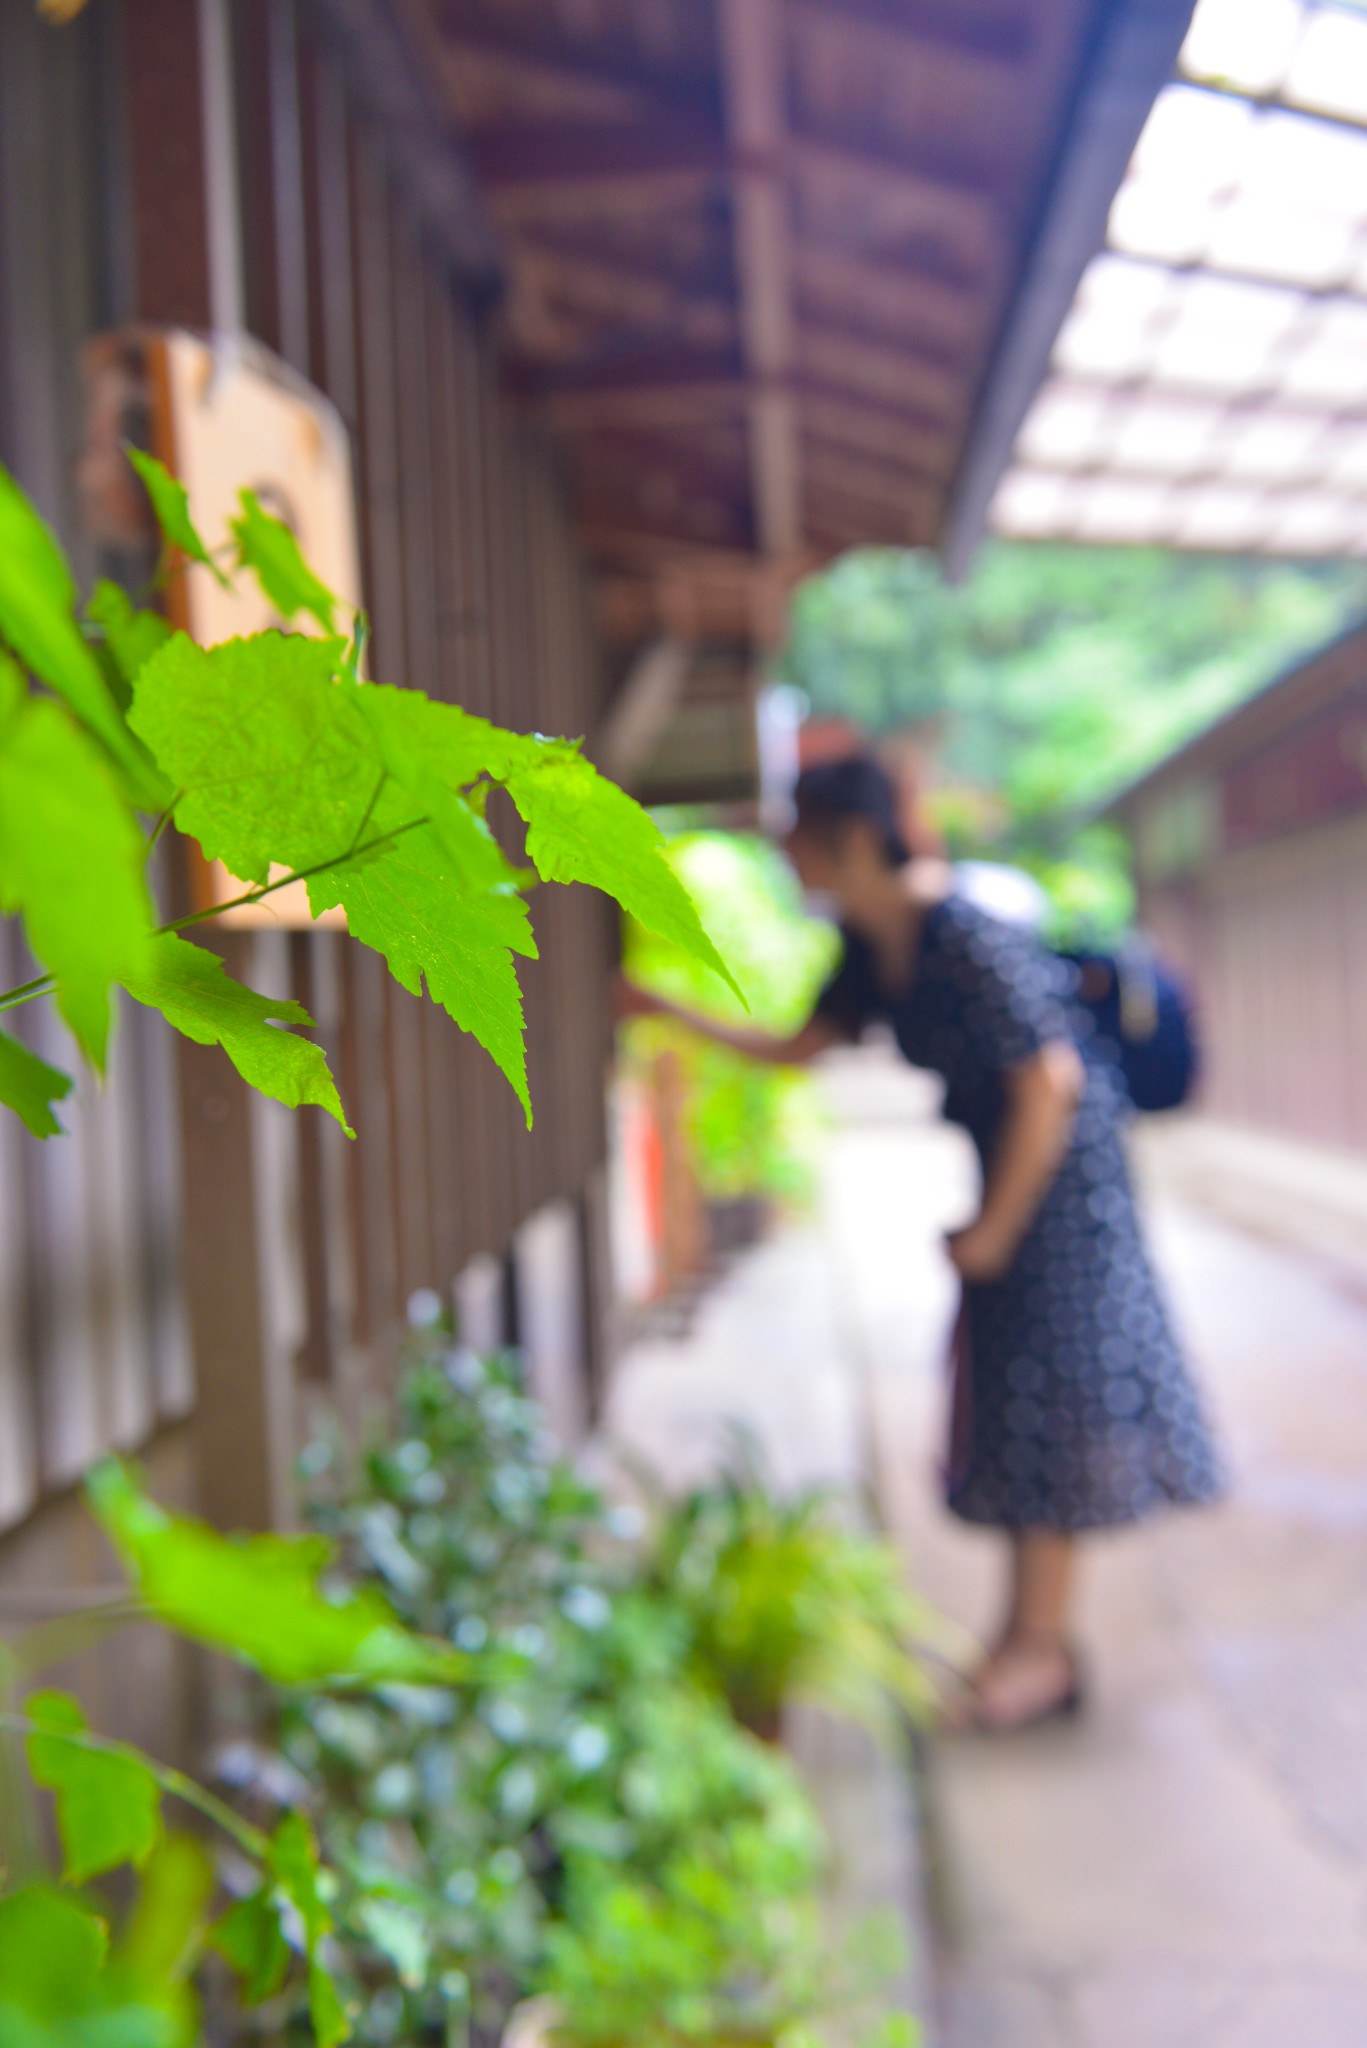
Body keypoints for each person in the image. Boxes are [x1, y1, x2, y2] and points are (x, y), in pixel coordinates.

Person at [620, 756, 1222, 1732]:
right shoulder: (871, 943)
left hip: (1058, 1191)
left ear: (849, 839)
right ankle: (1027, 1636)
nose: (788, 858)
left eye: (799, 840)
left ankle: (1039, 1645)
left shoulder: (958, 933)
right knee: (1016, 1402)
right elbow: (794, 1049)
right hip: (1011, 1181)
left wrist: (992, 1231)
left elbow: (1048, 1082)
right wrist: (659, 1010)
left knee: (1049, 1412)